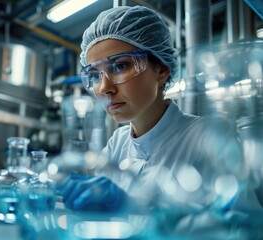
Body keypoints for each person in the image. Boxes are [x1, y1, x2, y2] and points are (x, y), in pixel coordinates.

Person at [57, 5, 258, 225]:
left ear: (162, 70)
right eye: (94, 75)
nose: (104, 88)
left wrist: (136, 209)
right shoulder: (117, 143)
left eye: (120, 66)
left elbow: (245, 225)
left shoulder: (208, 137)